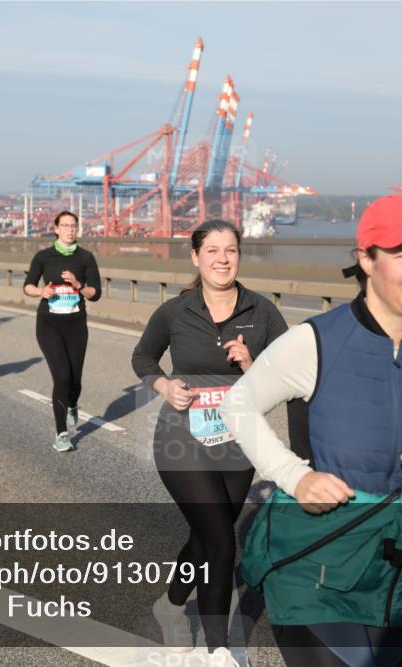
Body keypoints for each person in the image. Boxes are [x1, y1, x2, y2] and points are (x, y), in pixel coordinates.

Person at [221, 194, 402, 667]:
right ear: (367, 260)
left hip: (400, 566)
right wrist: (294, 476)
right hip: (319, 552)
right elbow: (239, 404)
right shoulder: (316, 340)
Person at [131, 219, 293, 665]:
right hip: (181, 440)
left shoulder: (262, 312)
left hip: (238, 444)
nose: (223, 259)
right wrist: (163, 386)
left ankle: (169, 605)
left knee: (206, 538)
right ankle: (219, 651)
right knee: (221, 541)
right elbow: (142, 355)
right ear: (196, 257)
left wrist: (252, 364)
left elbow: (288, 376)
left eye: (231, 250)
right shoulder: (175, 312)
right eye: (213, 250)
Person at [23, 210, 102, 451]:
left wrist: (78, 285)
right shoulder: (44, 257)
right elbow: (27, 286)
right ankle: (61, 435)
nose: (70, 229)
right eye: (65, 225)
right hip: (49, 323)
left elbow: (95, 293)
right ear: (56, 228)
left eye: (74, 226)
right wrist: (41, 292)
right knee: (62, 376)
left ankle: (72, 403)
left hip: (76, 324)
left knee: (75, 380)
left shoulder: (86, 258)